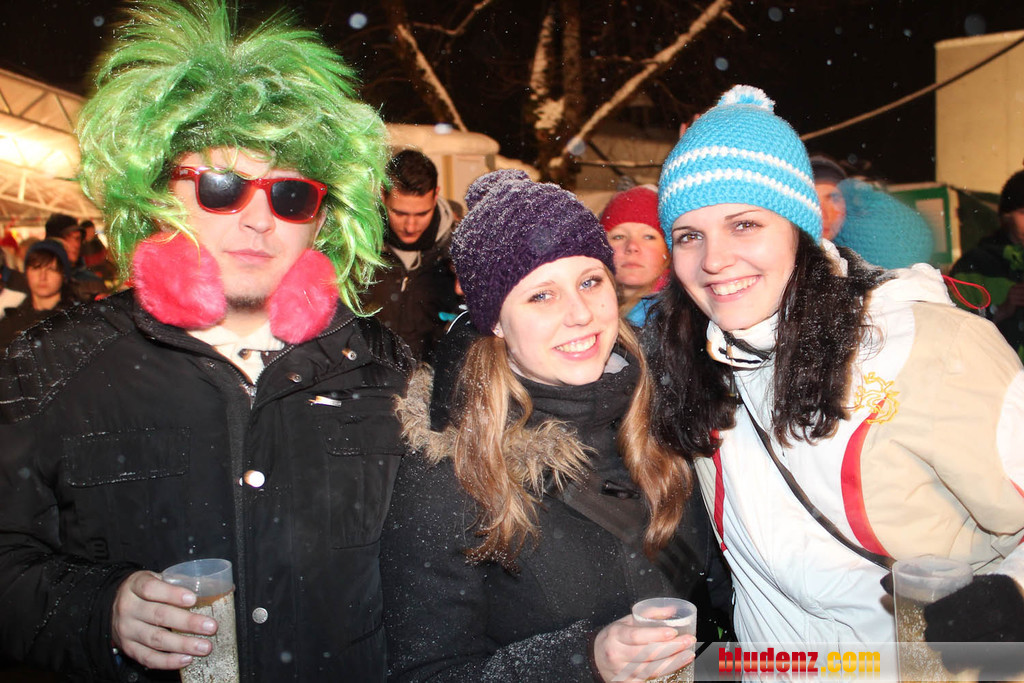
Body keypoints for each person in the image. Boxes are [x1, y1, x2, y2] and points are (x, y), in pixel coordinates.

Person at [0, 1, 410, 681]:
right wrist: (99, 610)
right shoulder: (52, 366)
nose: (259, 220)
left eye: (291, 195)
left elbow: (436, 586)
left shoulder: (384, 369)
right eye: (222, 186)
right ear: (159, 193)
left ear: (322, 219)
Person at [648, 86, 1024, 653]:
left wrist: (1014, 593)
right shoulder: (690, 365)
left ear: (800, 228)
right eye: (689, 236)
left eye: (744, 224)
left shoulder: (929, 347)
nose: (714, 260)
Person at [382, 169, 730, 682]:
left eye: (590, 282)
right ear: (495, 321)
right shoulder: (451, 468)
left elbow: (723, 599)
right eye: (541, 296)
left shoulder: (671, 415)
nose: (580, 314)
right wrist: (584, 661)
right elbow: (427, 673)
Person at [362, 149, 461, 361]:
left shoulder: (458, 252)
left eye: (422, 214)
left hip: (434, 377)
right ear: (382, 194)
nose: (410, 226)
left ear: (435, 195)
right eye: (399, 213)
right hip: (368, 377)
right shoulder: (358, 247)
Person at [950, 169, 1024, 362]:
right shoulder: (974, 267)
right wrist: (1000, 311)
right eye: (1023, 212)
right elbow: (951, 334)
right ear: (1006, 216)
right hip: (997, 374)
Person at [600, 185, 669, 326]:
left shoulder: (675, 317)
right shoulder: (587, 309)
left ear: (668, 250)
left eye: (649, 237)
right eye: (619, 236)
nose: (632, 246)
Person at [0, 239, 73, 348]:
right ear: (26, 273)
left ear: (64, 275)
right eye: (36, 268)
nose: (42, 277)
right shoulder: (9, 325)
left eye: (51, 269)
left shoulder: (76, 320)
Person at [44, 212, 107, 303]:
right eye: (67, 238)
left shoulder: (94, 283)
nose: (76, 244)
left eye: (77, 238)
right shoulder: (37, 280)